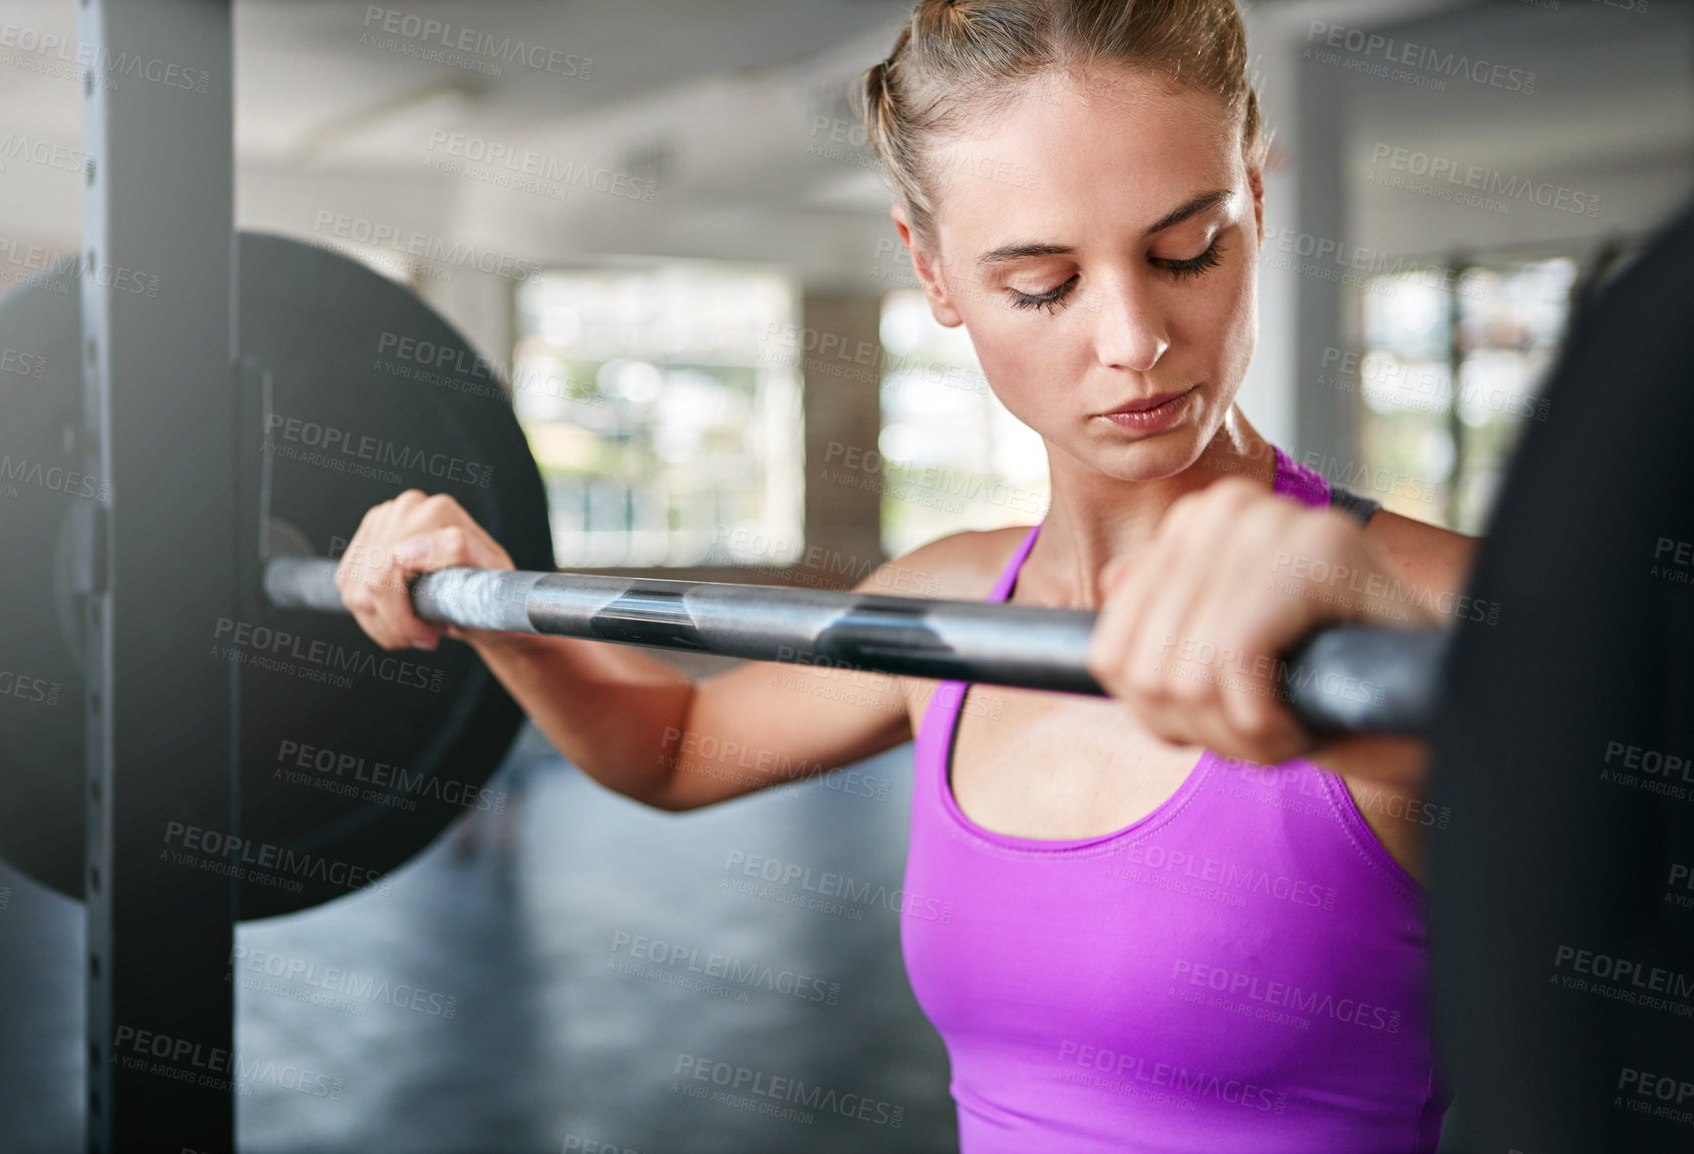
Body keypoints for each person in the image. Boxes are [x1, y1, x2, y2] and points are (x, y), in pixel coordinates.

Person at [333, 2, 1476, 1149]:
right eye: (1042, 281)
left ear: (1257, 203)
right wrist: (487, 599)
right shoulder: (951, 604)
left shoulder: (1437, 609)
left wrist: (1390, 686)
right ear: (933, 272)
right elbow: (674, 745)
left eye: (1188, 248)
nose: (1133, 336)